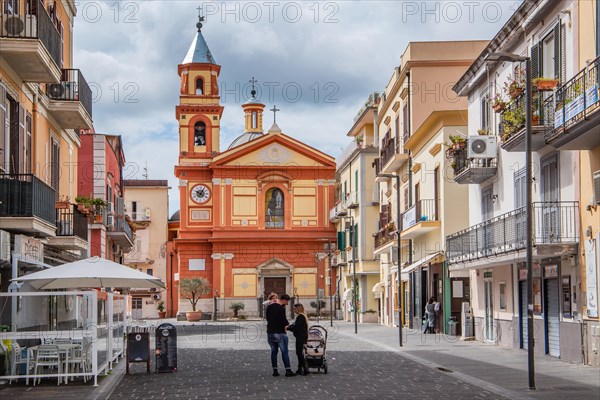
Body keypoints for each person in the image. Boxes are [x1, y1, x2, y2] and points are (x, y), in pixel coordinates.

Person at [266, 293, 296, 377]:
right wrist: (287, 324)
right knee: (284, 351)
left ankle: (275, 371)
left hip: (270, 333)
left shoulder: (269, 307)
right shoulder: (280, 308)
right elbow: (283, 320)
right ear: (284, 300)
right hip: (280, 333)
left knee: (273, 352)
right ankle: (288, 370)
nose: (287, 304)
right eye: (287, 302)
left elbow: (267, 318)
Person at [287, 303, 309, 375]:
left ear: (298, 309)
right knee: (299, 353)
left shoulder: (300, 317)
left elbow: (296, 327)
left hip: (301, 337)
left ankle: (305, 369)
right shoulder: (302, 316)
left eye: (294, 309)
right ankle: (300, 368)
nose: (294, 310)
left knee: (299, 353)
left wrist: (288, 328)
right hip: (301, 337)